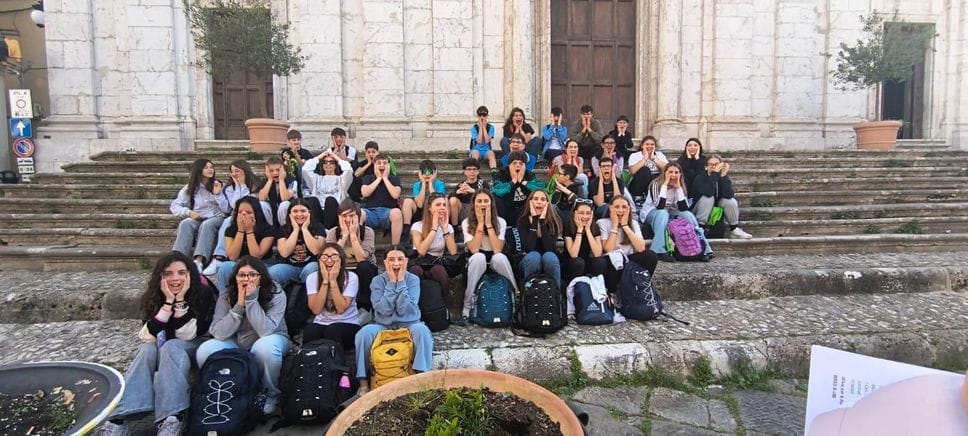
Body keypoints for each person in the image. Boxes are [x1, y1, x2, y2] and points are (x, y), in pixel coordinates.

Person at [100, 252, 218, 436]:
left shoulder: (202, 291)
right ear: (160, 277)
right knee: (147, 350)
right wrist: (168, 302)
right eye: (168, 273)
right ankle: (120, 419)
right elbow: (147, 336)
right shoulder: (156, 294)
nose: (175, 278)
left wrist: (179, 302)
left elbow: (187, 334)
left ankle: (173, 417)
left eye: (181, 272)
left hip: (197, 344)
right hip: (165, 346)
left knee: (172, 346)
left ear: (190, 274)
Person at [197, 257, 290, 415]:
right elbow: (218, 332)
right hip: (236, 340)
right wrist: (239, 306)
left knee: (265, 348)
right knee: (205, 350)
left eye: (252, 275)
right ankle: (225, 391)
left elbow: (265, 330)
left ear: (261, 277)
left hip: (273, 337)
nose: (247, 279)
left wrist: (252, 300)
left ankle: (270, 395)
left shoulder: (276, 292)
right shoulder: (228, 294)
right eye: (242, 275)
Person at [354, 248, 433, 395]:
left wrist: (401, 282)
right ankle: (363, 382)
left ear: (406, 261)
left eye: (400, 259)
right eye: (391, 259)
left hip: (409, 323)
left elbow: (407, 310)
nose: (396, 263)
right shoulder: (377, 281)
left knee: (422, 331)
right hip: (383, 325)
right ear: (384, 262)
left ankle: (421, 377)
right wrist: (391, 283)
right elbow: (383, 310)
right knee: (363, 334)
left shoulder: (413, 280)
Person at [456, 190, 518, 325]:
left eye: (486, 201)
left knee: (500, 258)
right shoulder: (466, 222)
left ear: (491, 204)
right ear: (474, 204)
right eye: (479, 201)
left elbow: (497, 249)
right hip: (476, 258)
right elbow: (473, 249)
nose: (483, 204)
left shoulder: (500, 221)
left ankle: (516, 297)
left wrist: (489, 224)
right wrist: (479, 223)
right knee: (478, 258)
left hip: (494, 256)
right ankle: (467, 306)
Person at [639, 163, 713, 263]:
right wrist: (665, 184)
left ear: (680, 174)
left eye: (676, 172)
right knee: (662, 213)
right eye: (670, 172)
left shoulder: (680, 185)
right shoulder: (656, 184)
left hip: (671, 211)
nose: (673, 175)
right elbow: (659, 205)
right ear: (665, 173)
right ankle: (659, 250)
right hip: (652, 212)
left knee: (688, 215)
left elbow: (684, 208)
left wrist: (678, 188)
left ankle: (703, 248)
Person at [204, 159, 261, 276]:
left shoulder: (256, 185)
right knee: (228, 220)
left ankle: (219, 258)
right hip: (236, 216)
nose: (235, 174)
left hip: (254, 215)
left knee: (229, 220)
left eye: (237, 171)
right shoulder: (229, 188)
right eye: (232, 171)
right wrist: (218, 195)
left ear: (245, 171)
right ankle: (218, 258)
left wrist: (243, 186)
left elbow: (248, 203)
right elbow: (232, 206)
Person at [171, 159, 227, 272]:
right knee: (185, 223)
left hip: (217, 217)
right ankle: (178, 259)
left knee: (207, 225)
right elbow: (174, 206)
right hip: (198, 217)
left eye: (211, 167)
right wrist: (189, 212)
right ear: (199, 170)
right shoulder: (190, 188)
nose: (210, 169)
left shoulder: (219, 185)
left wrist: (218, 195)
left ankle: (199, 260)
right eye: (206, 167)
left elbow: (227, 209)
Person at [302, 243, 361, 350]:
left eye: (334, 256)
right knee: (310, 331)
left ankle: (335, 364)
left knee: (333, 330)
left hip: (347, 323)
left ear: (341, 259)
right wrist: (325, 281)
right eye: (325, 257)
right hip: (321, 322)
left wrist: (333, 281)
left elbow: (341, 308)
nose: (329, 261)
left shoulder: (351, 277)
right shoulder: (312, 277)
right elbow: (316, 310)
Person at [326, 200, 379, 313]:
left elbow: (362, 258)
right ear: (339, 217)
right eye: (344, 216)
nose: (348, 219)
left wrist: (353, 236)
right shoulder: (333, 233)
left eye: (352, 216)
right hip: (342, 268)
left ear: (358, 217)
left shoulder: (367, 232)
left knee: (364, 266)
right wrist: (344, 235)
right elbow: (330, 258)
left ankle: (365, 308)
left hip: (364, 269)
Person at [597, 196, 658, 292]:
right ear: (610, 208)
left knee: (650, 255)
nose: (620, 210)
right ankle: (612, 292)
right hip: (612, 262)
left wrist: (625, 226)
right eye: (617, 207)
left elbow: (641, 248)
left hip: (628, 260)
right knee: (615, 258)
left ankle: (642, 286)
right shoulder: (602, 223)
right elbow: (607, 249)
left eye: (624, 207)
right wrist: (615, 226)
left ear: (629, 209)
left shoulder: (633, 223)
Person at [217, 196, 277, 289]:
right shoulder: (230, 230)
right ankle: (225, 298)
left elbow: (256, 256)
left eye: (249, 213)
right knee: (225, 267)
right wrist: (240, 231)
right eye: (240, 212)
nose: (243, 215)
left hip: (263, 264)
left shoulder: (268, 230)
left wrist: (249, 231)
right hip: (238, 263)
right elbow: (232, 256)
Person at [267, 199, 326, 290]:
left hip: (310, 266)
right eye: (295, 211)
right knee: (272, 272)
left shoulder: (318, 227)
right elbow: (284, 253)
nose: (299, 214)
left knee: (313, 267)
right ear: (289, 214)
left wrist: (305, 229)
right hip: (290, 267)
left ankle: (302, 289)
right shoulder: (283, 229)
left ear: (309, 213)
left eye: (303, 211)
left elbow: (316, 250)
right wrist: (295, 230)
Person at [691, 154, 752, 239]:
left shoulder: (722, 177)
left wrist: (723, 177)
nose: (714, 166)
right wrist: (714, 175)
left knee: (730, 201)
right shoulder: (700, 178)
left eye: (716, 164)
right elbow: (709, 192)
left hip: (716, 210)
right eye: (711, 164)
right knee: (708, 198)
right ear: (706, 166)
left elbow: (729, 195)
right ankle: (700, 228)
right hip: (699, 210)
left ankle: (734, 229)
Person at [408, 193, 459, 293]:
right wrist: (434, 228)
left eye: (444, 205)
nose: (442, 208)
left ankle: (444, 304)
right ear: (430, 208)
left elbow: (453, 251)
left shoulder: (448, 227)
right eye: (438, 205)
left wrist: (445, 229)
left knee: (439, 271)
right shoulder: (417, 226)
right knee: (415, 271)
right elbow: (421, 251)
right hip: (420, 261)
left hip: (437, 262)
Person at [517, 190, 563, 289]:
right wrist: (534, 220)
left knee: (549, 256)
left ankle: (556, 296)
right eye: (535, 199)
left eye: (543, 199)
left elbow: (549, 248)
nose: (539, 202)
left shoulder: (554, 221)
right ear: (530, 202)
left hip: (548, 259)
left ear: (547, 204)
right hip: (528, 260)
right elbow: (529, 248)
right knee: (534, 256)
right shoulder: (522, 220)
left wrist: (541, 221)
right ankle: (529, 295)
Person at [302, 149, 354, 230]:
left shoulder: (341, 180)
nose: (328, 164)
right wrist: (320, 156)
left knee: (330, 200)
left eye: (331, 162)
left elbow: (348, 170)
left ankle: (327, 230)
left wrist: (337, 158)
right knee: (312, 199)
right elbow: (305, 169)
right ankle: (316, 229)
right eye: (325, 162)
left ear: (336, 165)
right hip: (318, 212)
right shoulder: (316, 179)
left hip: (334, 211)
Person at [360, 153, 404, 245]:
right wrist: (378, 178)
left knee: (397, 212)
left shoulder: (394, 179)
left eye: (384, 163)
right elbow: (365, 193)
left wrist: (385, 178)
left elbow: (395, 195)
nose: (382, 165)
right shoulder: (368, 178)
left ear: (388, 166)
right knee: (359, 213)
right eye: (379, 163)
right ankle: (358, 246)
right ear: (374, 165)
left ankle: (395, 247)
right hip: (370, 212)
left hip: (388, 213)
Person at [562, 200, 607, 286]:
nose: (585, 216)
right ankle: (576, 288)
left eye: (588, 213)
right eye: (581, 213)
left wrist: (587, 230)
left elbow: (597, 253)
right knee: (578, 262)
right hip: (572, 264)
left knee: (600, 262)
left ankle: (599, 289)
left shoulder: (595, 227)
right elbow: (573, 254)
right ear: (575, 213)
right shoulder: (568, 225)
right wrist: (579, 230)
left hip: (587, 262)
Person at [402, 159, 448, 241]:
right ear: (420, 173)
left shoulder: (440, 184)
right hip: (420, 210)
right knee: (407, 202)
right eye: (424, 172)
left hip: (434, 211)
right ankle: (406, 231)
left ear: (434, 173)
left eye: (430, 172)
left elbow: (436, 200)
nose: (427, 174)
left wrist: (430, 183)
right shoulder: (417, 185)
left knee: (446, 200)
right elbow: (419, 204)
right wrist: (423, 183)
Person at [493, 151, 545, 222]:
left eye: (521, 163)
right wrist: (513, 181)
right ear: (509, 165)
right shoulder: (501, 173)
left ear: (525, 166)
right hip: (506, 209)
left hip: (524, 209)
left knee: (539, 196)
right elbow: (498, 191)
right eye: (514, 163)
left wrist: (524, 182)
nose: (518, 165)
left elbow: (540, 188)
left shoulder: (528, 174)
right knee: (496, 198)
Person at [448, 158, 490, 227]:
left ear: (478, 171)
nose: (472, 172)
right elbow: (450, 198)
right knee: (453, 200)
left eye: (474, 169)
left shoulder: (483, 183)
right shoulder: (462, 185)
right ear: (465, 172)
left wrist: (472, 190)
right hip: (464, 213)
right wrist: (457, 192)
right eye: (469, 169)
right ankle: (455, 228)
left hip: (478, 212)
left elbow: (489, 197)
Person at [258, 156, 299, 227]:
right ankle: (270, 229)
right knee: (262, 204)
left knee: (284, 204)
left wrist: (281, 180)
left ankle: (284, 229)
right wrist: (270, 180)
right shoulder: (266, 181)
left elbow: (284, 198)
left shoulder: (291, 180)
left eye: (278, 170)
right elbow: (261, 198)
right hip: (272, 214)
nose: (275, 173)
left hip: (288, 214)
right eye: (271, 171)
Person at [549, 163, 585, 228]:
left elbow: (581, 204)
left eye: (560, 174)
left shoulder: (578, 186)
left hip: (572, 214)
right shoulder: (560, 185)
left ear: (567, 177)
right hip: (560, 213)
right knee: (551, 206)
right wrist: (558, 189)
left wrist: (565, 190)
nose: (557, 175)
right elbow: (553, 202)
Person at [469, 105, 498, 175]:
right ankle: (474, 172)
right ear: (477, 116)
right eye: (480, 115)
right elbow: (478, 141)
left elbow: (487, 140)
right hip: (476, 149)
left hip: (486, 150)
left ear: (487, 116)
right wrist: (480, 127)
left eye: (484, 115)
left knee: (491, 154)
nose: (482, 117)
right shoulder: (474, 128)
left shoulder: (491, 127)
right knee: (475, 153)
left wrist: (484, 127)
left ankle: (494, 174)